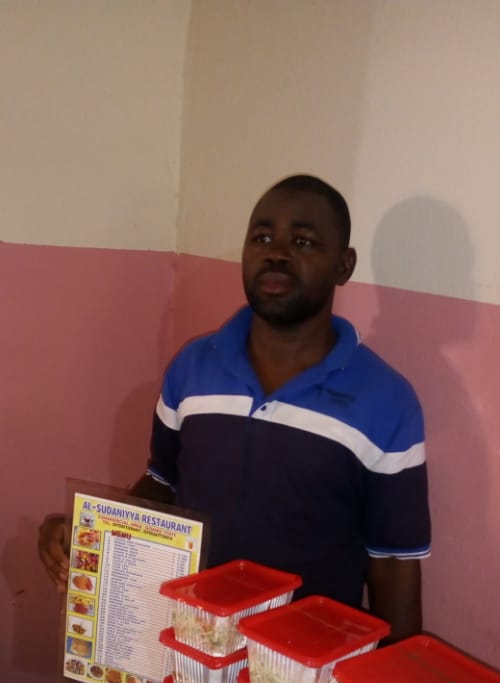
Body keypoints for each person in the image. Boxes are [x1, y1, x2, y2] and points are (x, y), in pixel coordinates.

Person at [39, 174, 431, 641]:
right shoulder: (192, 367)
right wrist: (88, 534)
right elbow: (163, 483)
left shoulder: (387, 400)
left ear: (343, 266)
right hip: (188, 645)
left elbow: (392, 562)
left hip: (303, 665)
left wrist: (399, 674)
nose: (277, 253)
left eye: (303, 241)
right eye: (262, 238)